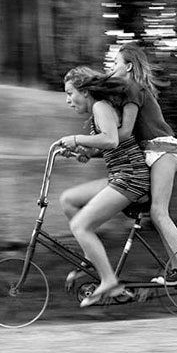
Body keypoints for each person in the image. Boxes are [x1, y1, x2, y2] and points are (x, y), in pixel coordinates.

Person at [110, 42, 177, 288]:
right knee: (153, 212)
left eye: (115, 63)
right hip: (153, 150)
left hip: (163, 149)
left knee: (160, 212)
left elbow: (125, 131)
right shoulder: (132, 89)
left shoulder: (133, 88)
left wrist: (94, 143)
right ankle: (175, 269)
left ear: (128, 67)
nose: (111, 67)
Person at [58, 66, 150, 307]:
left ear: (86, 92)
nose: (68, 100)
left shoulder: (100, 106)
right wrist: (85, 151)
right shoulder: (98, 110)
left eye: (70, 93)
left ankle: (109, 281)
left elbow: (111, 138)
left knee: (80, 225)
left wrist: (76, 139)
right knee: (68, 199)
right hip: (119, 175)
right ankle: (91, 256)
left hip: (131, 178)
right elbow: (109, 146)